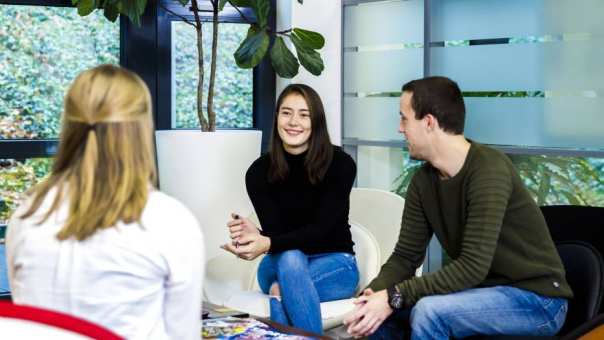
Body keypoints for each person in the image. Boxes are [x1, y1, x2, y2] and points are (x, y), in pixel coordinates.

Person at [344, 76, 572, 339]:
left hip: (538, 301)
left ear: (428, 122)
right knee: (373, 317)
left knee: (429, 312)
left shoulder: (489, 169)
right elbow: (406, 257)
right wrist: (373, 295)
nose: (400, 128)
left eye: (404, 118)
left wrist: (395, 295)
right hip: (481, 293)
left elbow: (473, 266)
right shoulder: (423, 181)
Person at [6, 64, 204, 340]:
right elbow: (182, 333)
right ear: (141, 129)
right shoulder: (170, 221)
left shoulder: (28, 214)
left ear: (69, 124)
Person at [221, 83, 359, 334]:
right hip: (279, 264)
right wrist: (260, 237)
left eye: (304, 114)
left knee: (284, 284)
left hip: (336, 265)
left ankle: (279, 297)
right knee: (291, 257)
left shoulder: (340, 164)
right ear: (276, 118)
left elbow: (322, 231)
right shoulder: (258, 172)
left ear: (316, 121)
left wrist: (267, 241)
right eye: (286, 112)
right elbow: (282, 237)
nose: (294, 121)